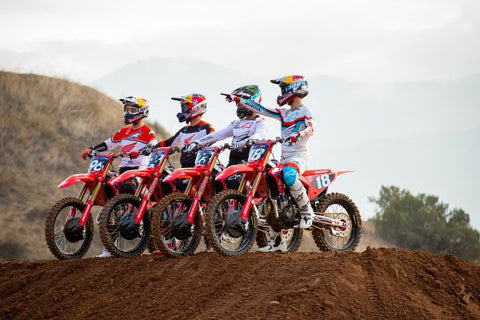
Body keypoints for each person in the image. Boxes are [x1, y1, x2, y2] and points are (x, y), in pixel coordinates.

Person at [227, 75, 314, 252]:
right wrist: (240, 100)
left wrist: (300, 134)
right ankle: (277, 241)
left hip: (298, 157)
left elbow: (311, 128)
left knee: (289, 176)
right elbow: (259, 108)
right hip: (283, 159)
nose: (281, 93)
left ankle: (307, 211)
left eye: (283, 89)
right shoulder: (284, 113)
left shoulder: (305, 111)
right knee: (269, 189)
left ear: (294, 89)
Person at [81, 96, 157, 257]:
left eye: (131, 110)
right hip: (123, 171)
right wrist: (91, 149)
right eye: (126, 109)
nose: (127, 113)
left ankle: (141, 219)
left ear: (141, 112)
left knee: (127, 187)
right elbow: (107, 144)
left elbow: (153, 145)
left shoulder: (147, 132)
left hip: (139, 172)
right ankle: (110, 246)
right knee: (109, 195)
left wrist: (145, 150)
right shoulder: (123, 132)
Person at [188, 85, 267, 166]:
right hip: (233, 162)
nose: (239, 107)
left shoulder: (259, 121)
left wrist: (245, 141)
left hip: (250, 161)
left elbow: (259, 135)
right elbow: (218, 134)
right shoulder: (236, 123)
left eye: (241, 104)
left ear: (252, 102)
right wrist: (198, 142)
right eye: (238, 104)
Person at [152, 93, 214, 168]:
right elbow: (168, 143)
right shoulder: (184, 130)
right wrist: (151, 148)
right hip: (184, 168)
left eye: (185, 107)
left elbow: (213, 138)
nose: (183, 111)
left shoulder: (207, 127)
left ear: (196, 107)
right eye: (182, 107)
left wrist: (199, 145)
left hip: (200, 168)